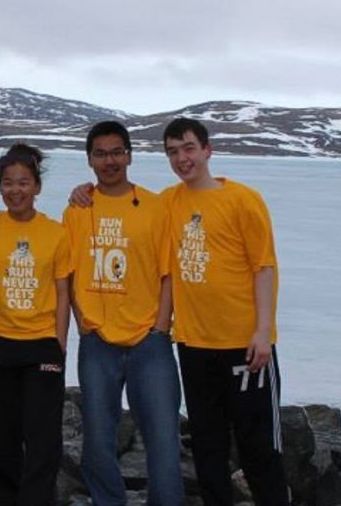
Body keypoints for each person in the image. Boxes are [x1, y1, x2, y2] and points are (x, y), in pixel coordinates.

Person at [161, 117, 288, 505]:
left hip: (245, 346)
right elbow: (122, 205)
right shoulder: (168, 201)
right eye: (172, 152)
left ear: (206, 150)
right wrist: (83, 193)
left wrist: (263, 331)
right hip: (194, 344)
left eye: (188, 149)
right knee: (208, 446)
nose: (182, 159)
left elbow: (264, 267)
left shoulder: (242, 199)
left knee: (259, 447)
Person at [61, 121, 184, 506]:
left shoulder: (156, 206)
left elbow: (169, 273)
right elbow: (69, 272)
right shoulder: (78, 210)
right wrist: (83, 322)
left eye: (117, 152)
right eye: (100, 153)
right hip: (99, 341)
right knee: (98, 436)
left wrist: (161, 327)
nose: (109, 160)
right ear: (89, 160)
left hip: (150, 340)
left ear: (129, 155)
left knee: (163, 436)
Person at [0, 143, 71, 506]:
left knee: (42, 440)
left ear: (37, 187)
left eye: (24, 182)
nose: (16, 190)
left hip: (42, 344)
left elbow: (62, 292)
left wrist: (59, 344)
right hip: (0, 344)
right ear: (0, 188)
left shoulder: (55, 233)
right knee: (2, 438)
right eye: (8, 183)